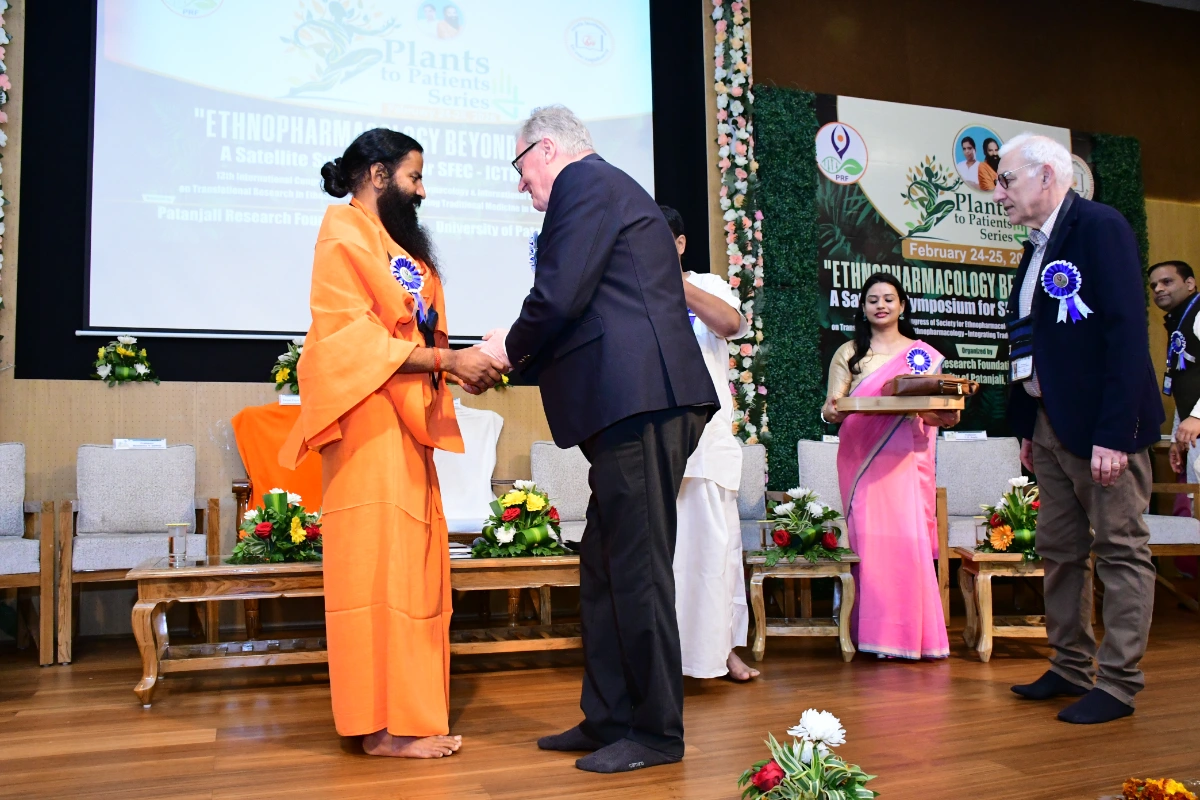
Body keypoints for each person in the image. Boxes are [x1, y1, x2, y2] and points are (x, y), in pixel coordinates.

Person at [477, 106, 717, 773]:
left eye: (520, 166)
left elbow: (559, 297)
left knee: (637, 570)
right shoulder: (604, 187)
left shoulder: (583, 184)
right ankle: (610, 717)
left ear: (546, 150)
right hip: (630, 404)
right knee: (606, 567)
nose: (520, 183)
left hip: (642, 399)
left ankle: (657, 733)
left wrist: (504, 350)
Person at [280, 129, 504, 758]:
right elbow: (348, 340)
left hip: (406, 429)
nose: (422, 191)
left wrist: (461, 366)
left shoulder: (393, 243)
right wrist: (447, 361)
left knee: (411, 578)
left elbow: (415, 332)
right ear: (378, 175)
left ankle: (406, 715)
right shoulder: (343, 231)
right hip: (366, 430)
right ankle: (378, 728)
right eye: (414, 177)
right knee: (372, 580)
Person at [998, 133, 1163, 724]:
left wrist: (1115, 433)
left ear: (1046, 175)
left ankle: (1118, 683)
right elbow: (1031, 340)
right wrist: (1028, 426)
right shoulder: (1036, 247)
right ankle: (1070, 665)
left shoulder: (1099, 227)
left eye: (1007, 180)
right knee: (1060, 550)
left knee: (1120, 549)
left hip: (1101, 428)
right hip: (1048, 425)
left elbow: (1126, 333)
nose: (999, 193)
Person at [820, 273, 957, 661]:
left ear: (902, 305)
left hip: (904, 459)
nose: (880, 305)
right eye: (872, 299)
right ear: (863, 307)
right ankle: (872, 635)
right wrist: (830, 410)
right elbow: (832, 407)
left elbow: (930, 413)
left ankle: (911, 637)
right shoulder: (850, 353)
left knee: (906, 544)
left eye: (888, 298)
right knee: (870, 544)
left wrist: (945, 417)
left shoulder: (922, 354)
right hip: (862, 458)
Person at [659, 204, 758, 683]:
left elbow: (730, 325)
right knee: (667, 560)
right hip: (655, 440)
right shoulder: (629, 290)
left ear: (679, 244)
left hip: (706, 443)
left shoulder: (707, 284)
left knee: (715, 554)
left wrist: (672, 281)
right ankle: (665, 660)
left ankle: (721, 652)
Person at [1149, 261, 1200, 480]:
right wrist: (1177, 437)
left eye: (1166, 281)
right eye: (1153, 286)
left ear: (1189, 284)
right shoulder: (1178, 321)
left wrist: (1197, 417)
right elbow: (1186, 384)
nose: (1158, 289)